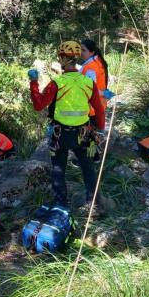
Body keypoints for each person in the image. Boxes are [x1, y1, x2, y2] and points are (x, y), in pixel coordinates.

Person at [28, 41, 108, 213]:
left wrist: (33, 82)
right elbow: (99, 110)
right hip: (84, 133)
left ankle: (61, 205)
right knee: (88, 168)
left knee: (59, 169)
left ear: (63, 59)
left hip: (60, 134)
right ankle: (94, 205)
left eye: (60, 57)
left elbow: (38, 105)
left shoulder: (57, 83)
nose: (59, 59)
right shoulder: (88, 83)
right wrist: (101, 129)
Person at [79, 39, 114, 162]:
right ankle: (94, 156)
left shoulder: (91, 67)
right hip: (98, 104)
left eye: (83, 50)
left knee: (88, 134)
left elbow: (90, 89)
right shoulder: (98, 61)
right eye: (80, 49)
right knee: (92, 133)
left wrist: (103, 93)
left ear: (92, 52)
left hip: (91, 106)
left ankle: (91, 158)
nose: (80, 52)